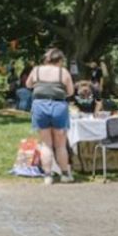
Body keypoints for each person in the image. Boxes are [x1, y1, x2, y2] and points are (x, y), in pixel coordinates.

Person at [25, 48, 75, 184]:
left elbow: (28, 84)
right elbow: (70, 92)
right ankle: (65, 175)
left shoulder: (36, 70)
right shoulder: (63, 72)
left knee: (46, 144)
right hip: (59, 106)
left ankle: (47, 176)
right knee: (60, 144)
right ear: (60, 60)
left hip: (40, 106)